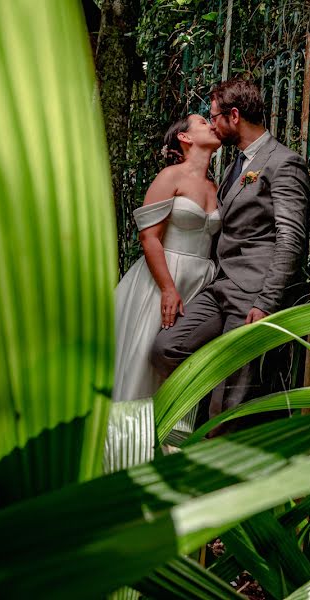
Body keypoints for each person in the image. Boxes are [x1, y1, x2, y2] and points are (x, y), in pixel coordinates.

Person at [151, 79, 310, 434]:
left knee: (230, 404)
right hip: (220, 288)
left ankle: (217, 475)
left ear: (234, 116)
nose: (212, 124)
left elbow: (291, 237)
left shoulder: (283, 163)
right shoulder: (231, 168)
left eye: (214, 117)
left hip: (253, 293)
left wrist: (267, 301)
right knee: (166, 347)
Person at [106, 114, 221, 471]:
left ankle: (170, 459)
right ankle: (125, 462)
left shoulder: (218, 187)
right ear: (185, 137)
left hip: (200, 280)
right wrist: (168, 288)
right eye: (203, 120)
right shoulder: (170, 177)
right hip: (161, 281)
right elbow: (148, 238)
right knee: (145, 365)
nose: (212, 123)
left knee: (180, 366)